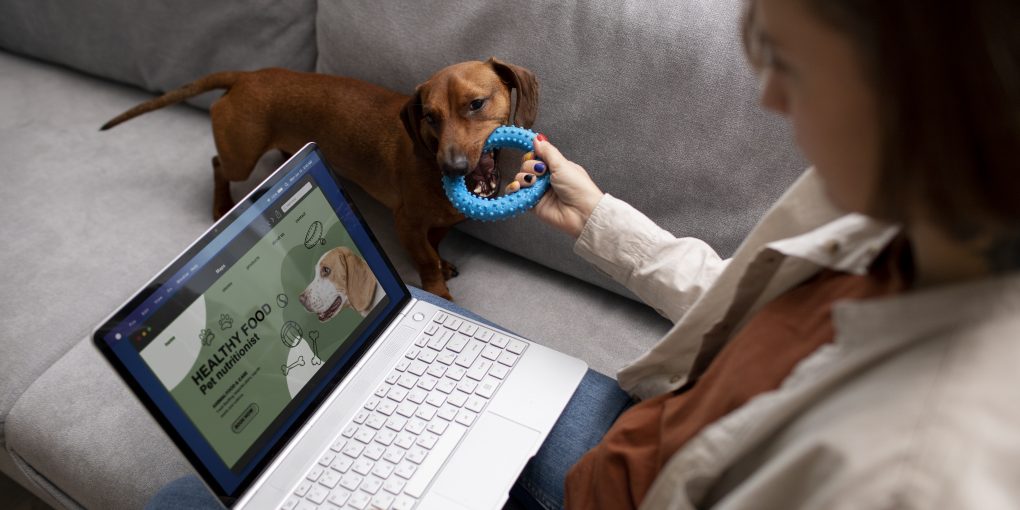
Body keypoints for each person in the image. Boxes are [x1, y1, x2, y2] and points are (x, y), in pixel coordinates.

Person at [149, 0, 1019, 508]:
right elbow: (757, 304)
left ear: (936, 92)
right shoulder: (894, 199)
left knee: (196, 500)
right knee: (386, 375)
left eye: (787, 58)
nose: (766, 92)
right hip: (626, 428)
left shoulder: (916, 471)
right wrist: (600, 220)